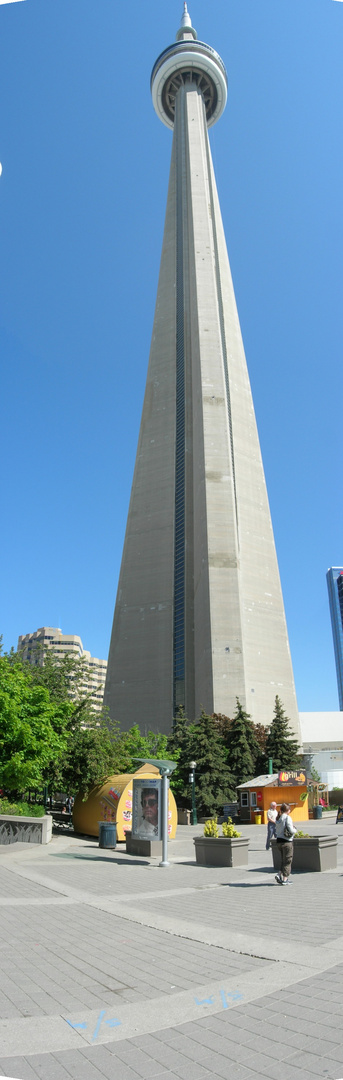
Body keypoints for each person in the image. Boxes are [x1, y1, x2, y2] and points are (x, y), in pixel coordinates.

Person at [275, 802, 297, 885]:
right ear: (287, 810)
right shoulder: (287, 818)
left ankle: (279, 874)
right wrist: (295, 830)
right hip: (287, 841)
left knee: (283, 860)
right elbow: (291, 830)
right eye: (289, 809)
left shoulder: (278, 818)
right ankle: (285, 879)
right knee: (288, 860)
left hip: (279, 841)